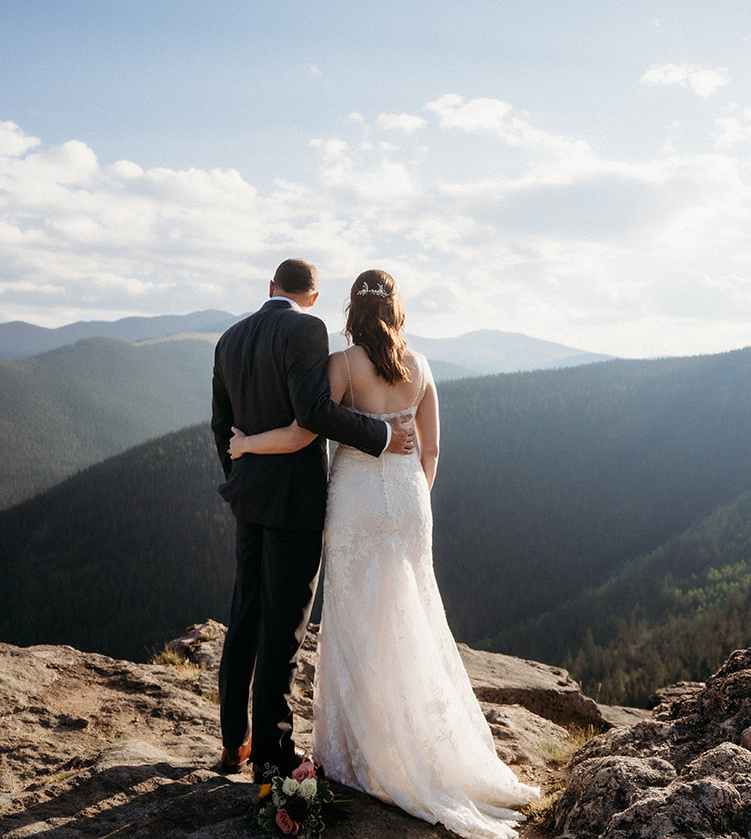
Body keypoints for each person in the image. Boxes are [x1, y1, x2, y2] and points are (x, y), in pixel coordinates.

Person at [229, 269, 539, 839]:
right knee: (409, 613)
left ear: (351, 310)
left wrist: (247, 443)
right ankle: (423, 739)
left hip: (356, 498)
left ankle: (361, 746)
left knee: (355, 616)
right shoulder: (420, 366)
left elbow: (306, 431)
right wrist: (412, 497)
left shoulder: (343, 364)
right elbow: (433, 448)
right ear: (397, 310)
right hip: (407, 496)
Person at [210, 258, 418, 778]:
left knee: (245, 617)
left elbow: (221, 426)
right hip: (295, 505)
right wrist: (384, 437)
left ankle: (234, 742)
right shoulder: (307, 328)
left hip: (249, 501)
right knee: (284, 629)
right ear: (315, 296)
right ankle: (273, 758)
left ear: (271, 287)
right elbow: (313, 413)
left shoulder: (230, 338)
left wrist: (239, 482)